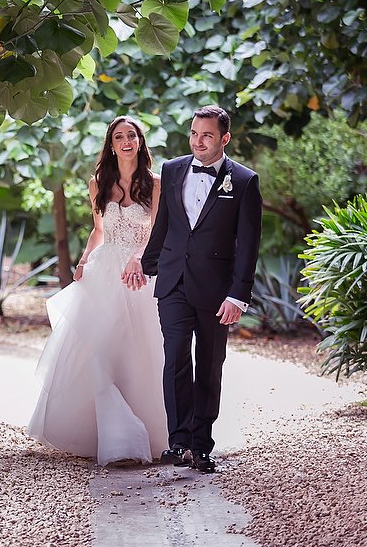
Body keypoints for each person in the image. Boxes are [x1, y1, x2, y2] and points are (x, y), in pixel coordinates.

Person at [27, 116, 168, 466]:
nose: (125, 141)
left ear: (140, 141)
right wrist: (83, 260)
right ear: (110, 143)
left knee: (141, 353)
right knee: (100, 351)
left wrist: (137, 258)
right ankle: (115, 438)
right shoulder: (98, 183)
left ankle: (153, 435)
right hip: (103, 273)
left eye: (131, 135)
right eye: (118, 136)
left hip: (139, 274)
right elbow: (99, 230)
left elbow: (154, 232)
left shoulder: (155, 183)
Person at [140, 105, 262, 473]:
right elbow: (165, 224)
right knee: (176, 357)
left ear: (224, 138)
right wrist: (147, 265)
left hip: (217, 289)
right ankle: (178, 442)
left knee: (209, 364)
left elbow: (248, 243)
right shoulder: (173, 168)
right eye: (194, 133)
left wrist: (238, 294)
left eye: (206, 135)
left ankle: (201, 444)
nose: (198, 141)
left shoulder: (243, 181)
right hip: (173, 281)